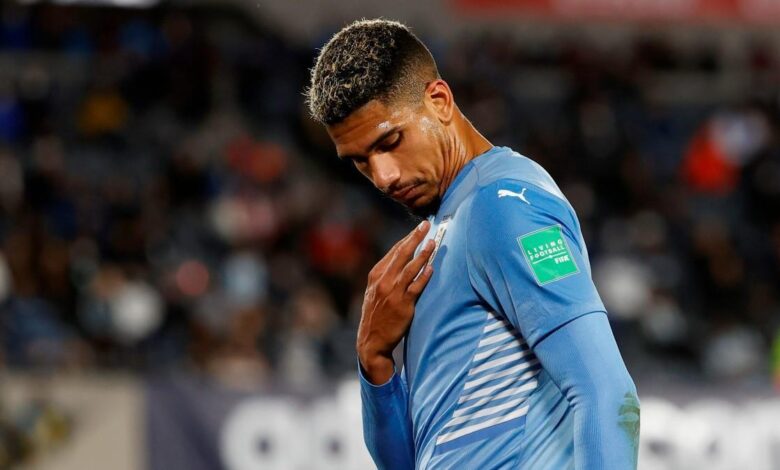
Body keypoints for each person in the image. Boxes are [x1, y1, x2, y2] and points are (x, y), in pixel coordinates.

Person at [306, 19, 640, 470]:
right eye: (360, 161)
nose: (382, 177)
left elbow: (606, 394)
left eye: (390, 141)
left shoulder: (502, 208)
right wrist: (375, 360)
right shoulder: (449, 221)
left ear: (439, 101)